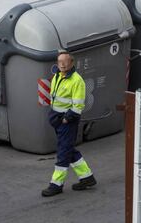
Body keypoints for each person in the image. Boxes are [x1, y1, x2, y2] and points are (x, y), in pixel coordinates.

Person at [42, 50, 97, 197]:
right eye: (60, 62)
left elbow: (78, 105)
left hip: (67, 121)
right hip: (58, 120)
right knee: (68, 149)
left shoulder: (76, 80)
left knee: (63, 152)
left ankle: (56, 184)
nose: (62, 64)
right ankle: (87, 178)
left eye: (65, 62)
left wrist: (66, 119)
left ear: (72, 63)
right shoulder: (58, 76)